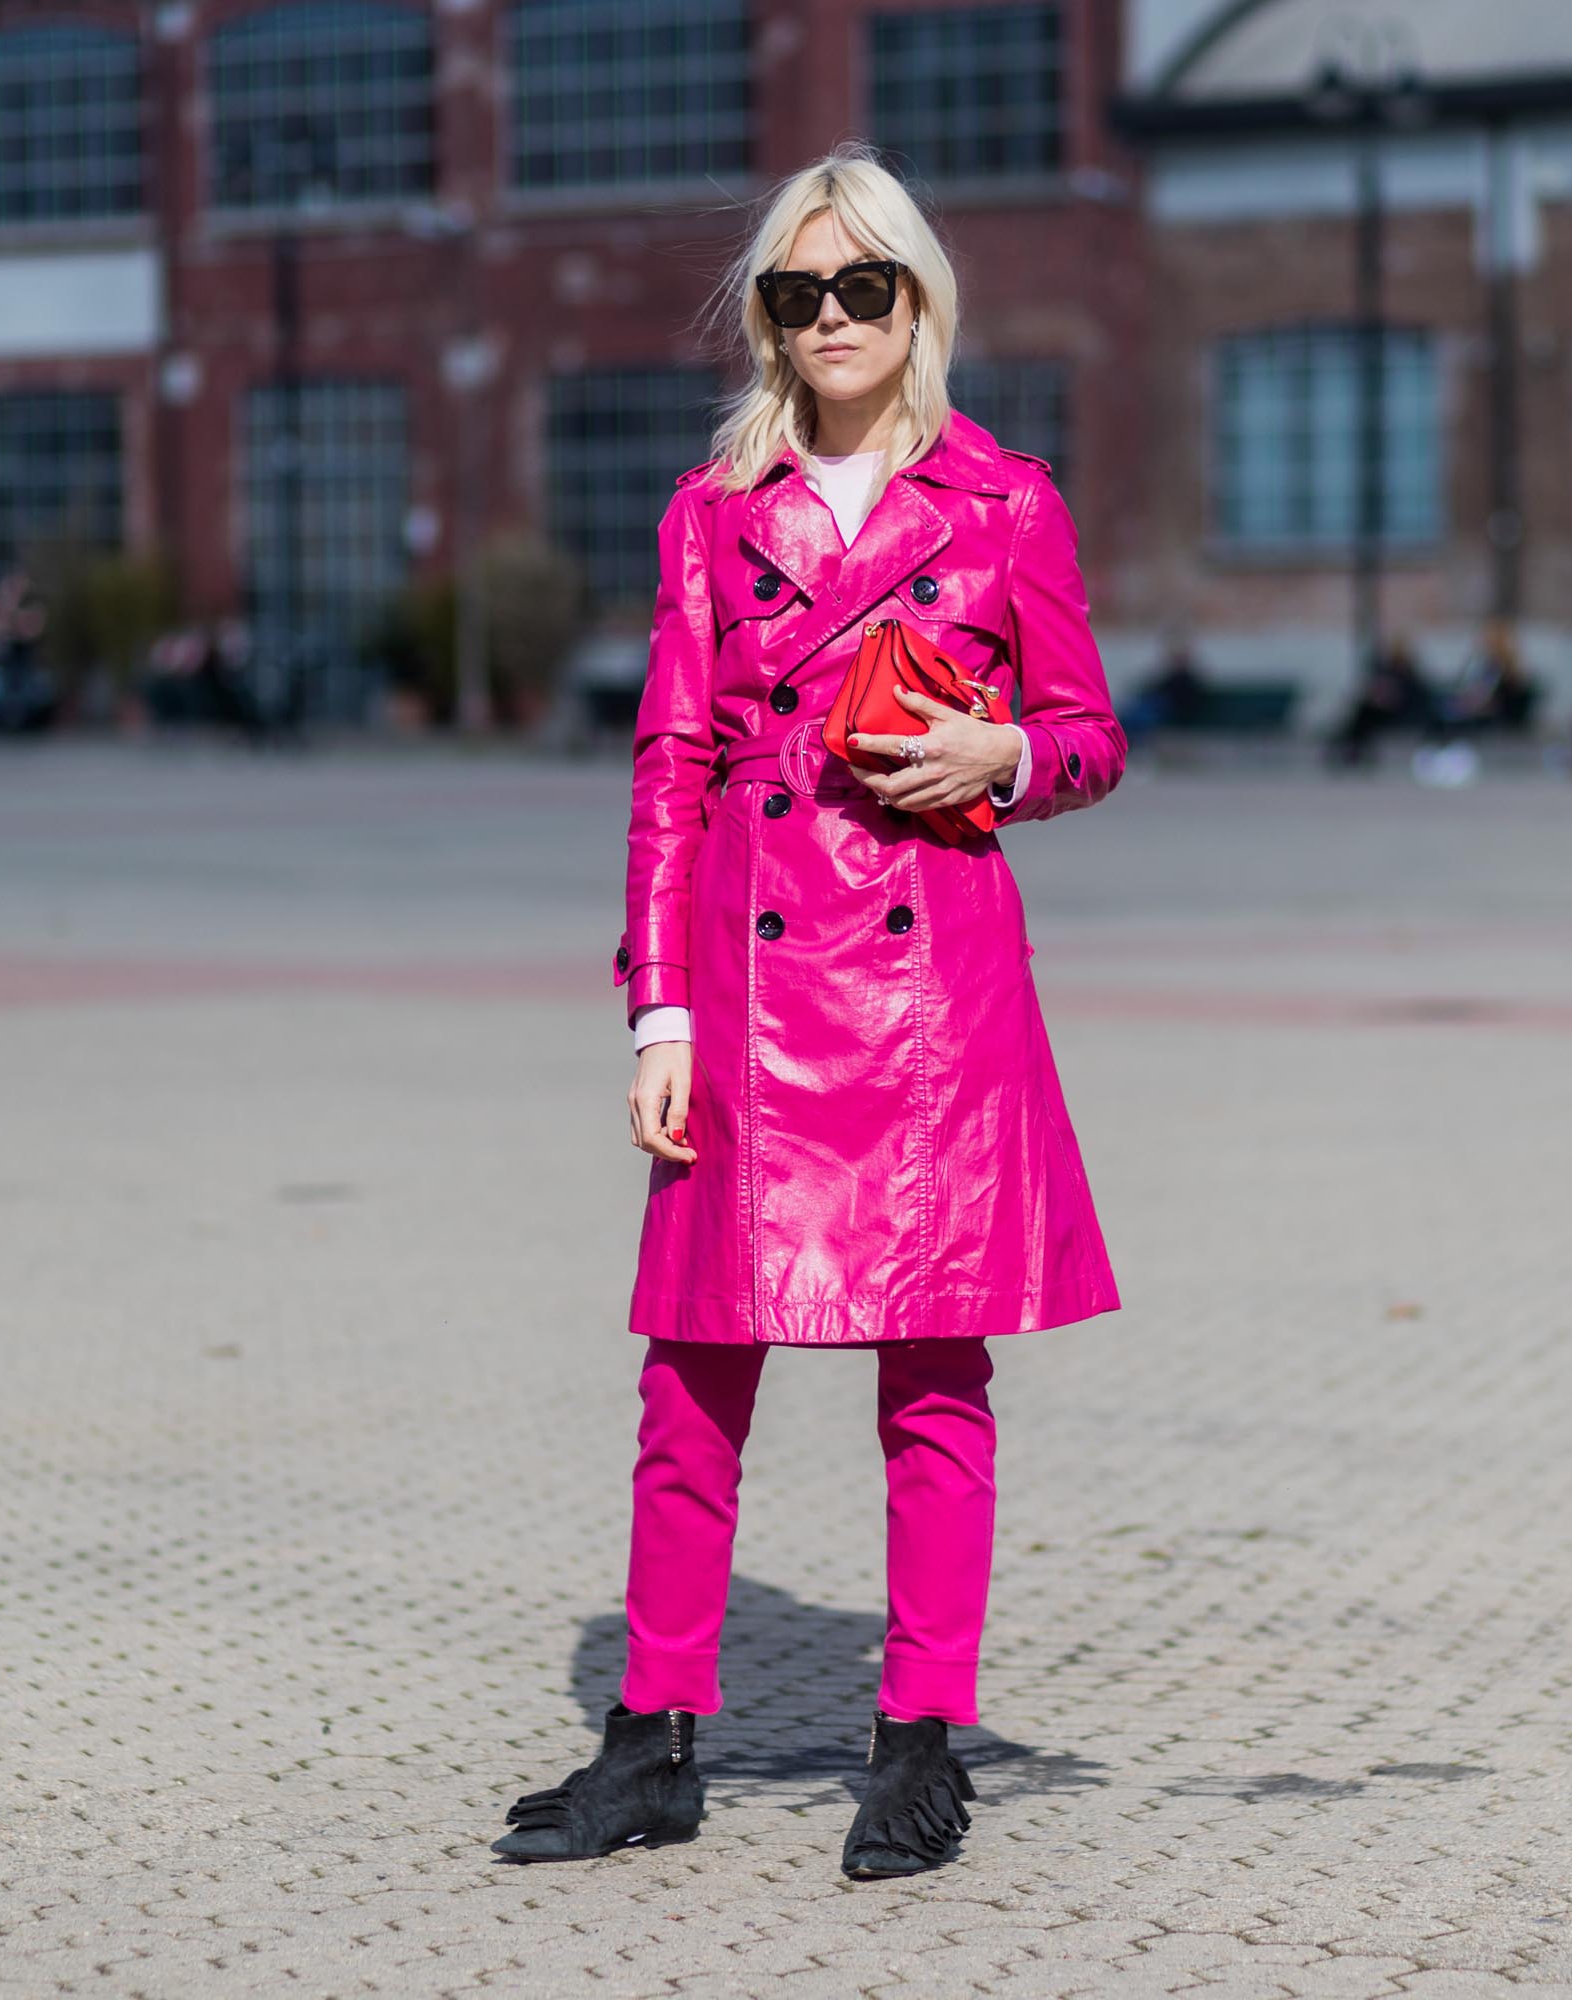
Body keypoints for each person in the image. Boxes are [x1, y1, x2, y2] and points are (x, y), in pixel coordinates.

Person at [493, 145, 1125, 1880]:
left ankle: (916, 1744)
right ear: (769, 320)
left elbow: (1091, 734)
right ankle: (655, 1739)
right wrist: (659, 1016)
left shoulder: (1006, 505)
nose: (832, 317)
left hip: (931, 990)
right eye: (798, 291)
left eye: (864, 286)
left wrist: (1012, 752)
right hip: (752, 985)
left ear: (917, 303)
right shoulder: (716, 515)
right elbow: (671, 771)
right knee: (691, 1372)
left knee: (936, 1378)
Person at [1329, 635, 1431, 767]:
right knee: (1366, 711)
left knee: (1366, 713)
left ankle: (1350, 744)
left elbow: (1405, 698)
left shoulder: (1409, 675)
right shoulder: (1391, 670)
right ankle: (1351, 744)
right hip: (1387, 712)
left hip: (1402, 715)